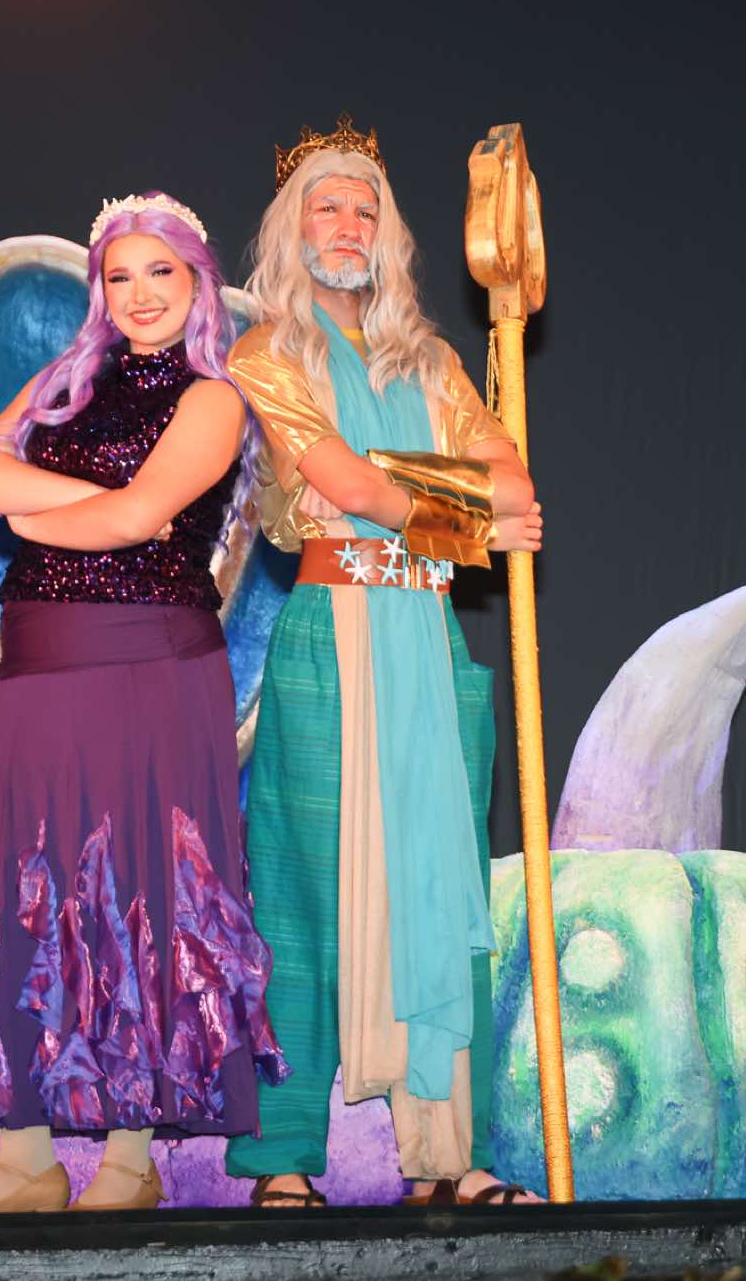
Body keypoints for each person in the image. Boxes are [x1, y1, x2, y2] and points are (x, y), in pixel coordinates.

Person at [0, 192, 286, 1213]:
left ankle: (129, 1161)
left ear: (196, 282)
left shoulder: (214, 397)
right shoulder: (66, 378)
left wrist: (52, 509)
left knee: (134, 891)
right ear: (99, 289)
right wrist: (92, 511)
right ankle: (26, 1159)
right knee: (16, 894)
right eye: (119, 275)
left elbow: (142, 517)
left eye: (160, 272)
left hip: (149, 663)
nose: (140, 293)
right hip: (39, 664)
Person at [220, 118, 545, 1208]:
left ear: (390, 235)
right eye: (327, 205)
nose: (348, 223)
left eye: (366, 208)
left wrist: (474, 502)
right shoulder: (267, 354)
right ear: (292, 228)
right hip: (331, 630)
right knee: (303, 892)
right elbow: (346, 485)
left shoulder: (436, 362)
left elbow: (512, 475)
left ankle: (450, 1159)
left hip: (428, 637)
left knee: (443, 892)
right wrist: (469, 516)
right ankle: (280, 1161)